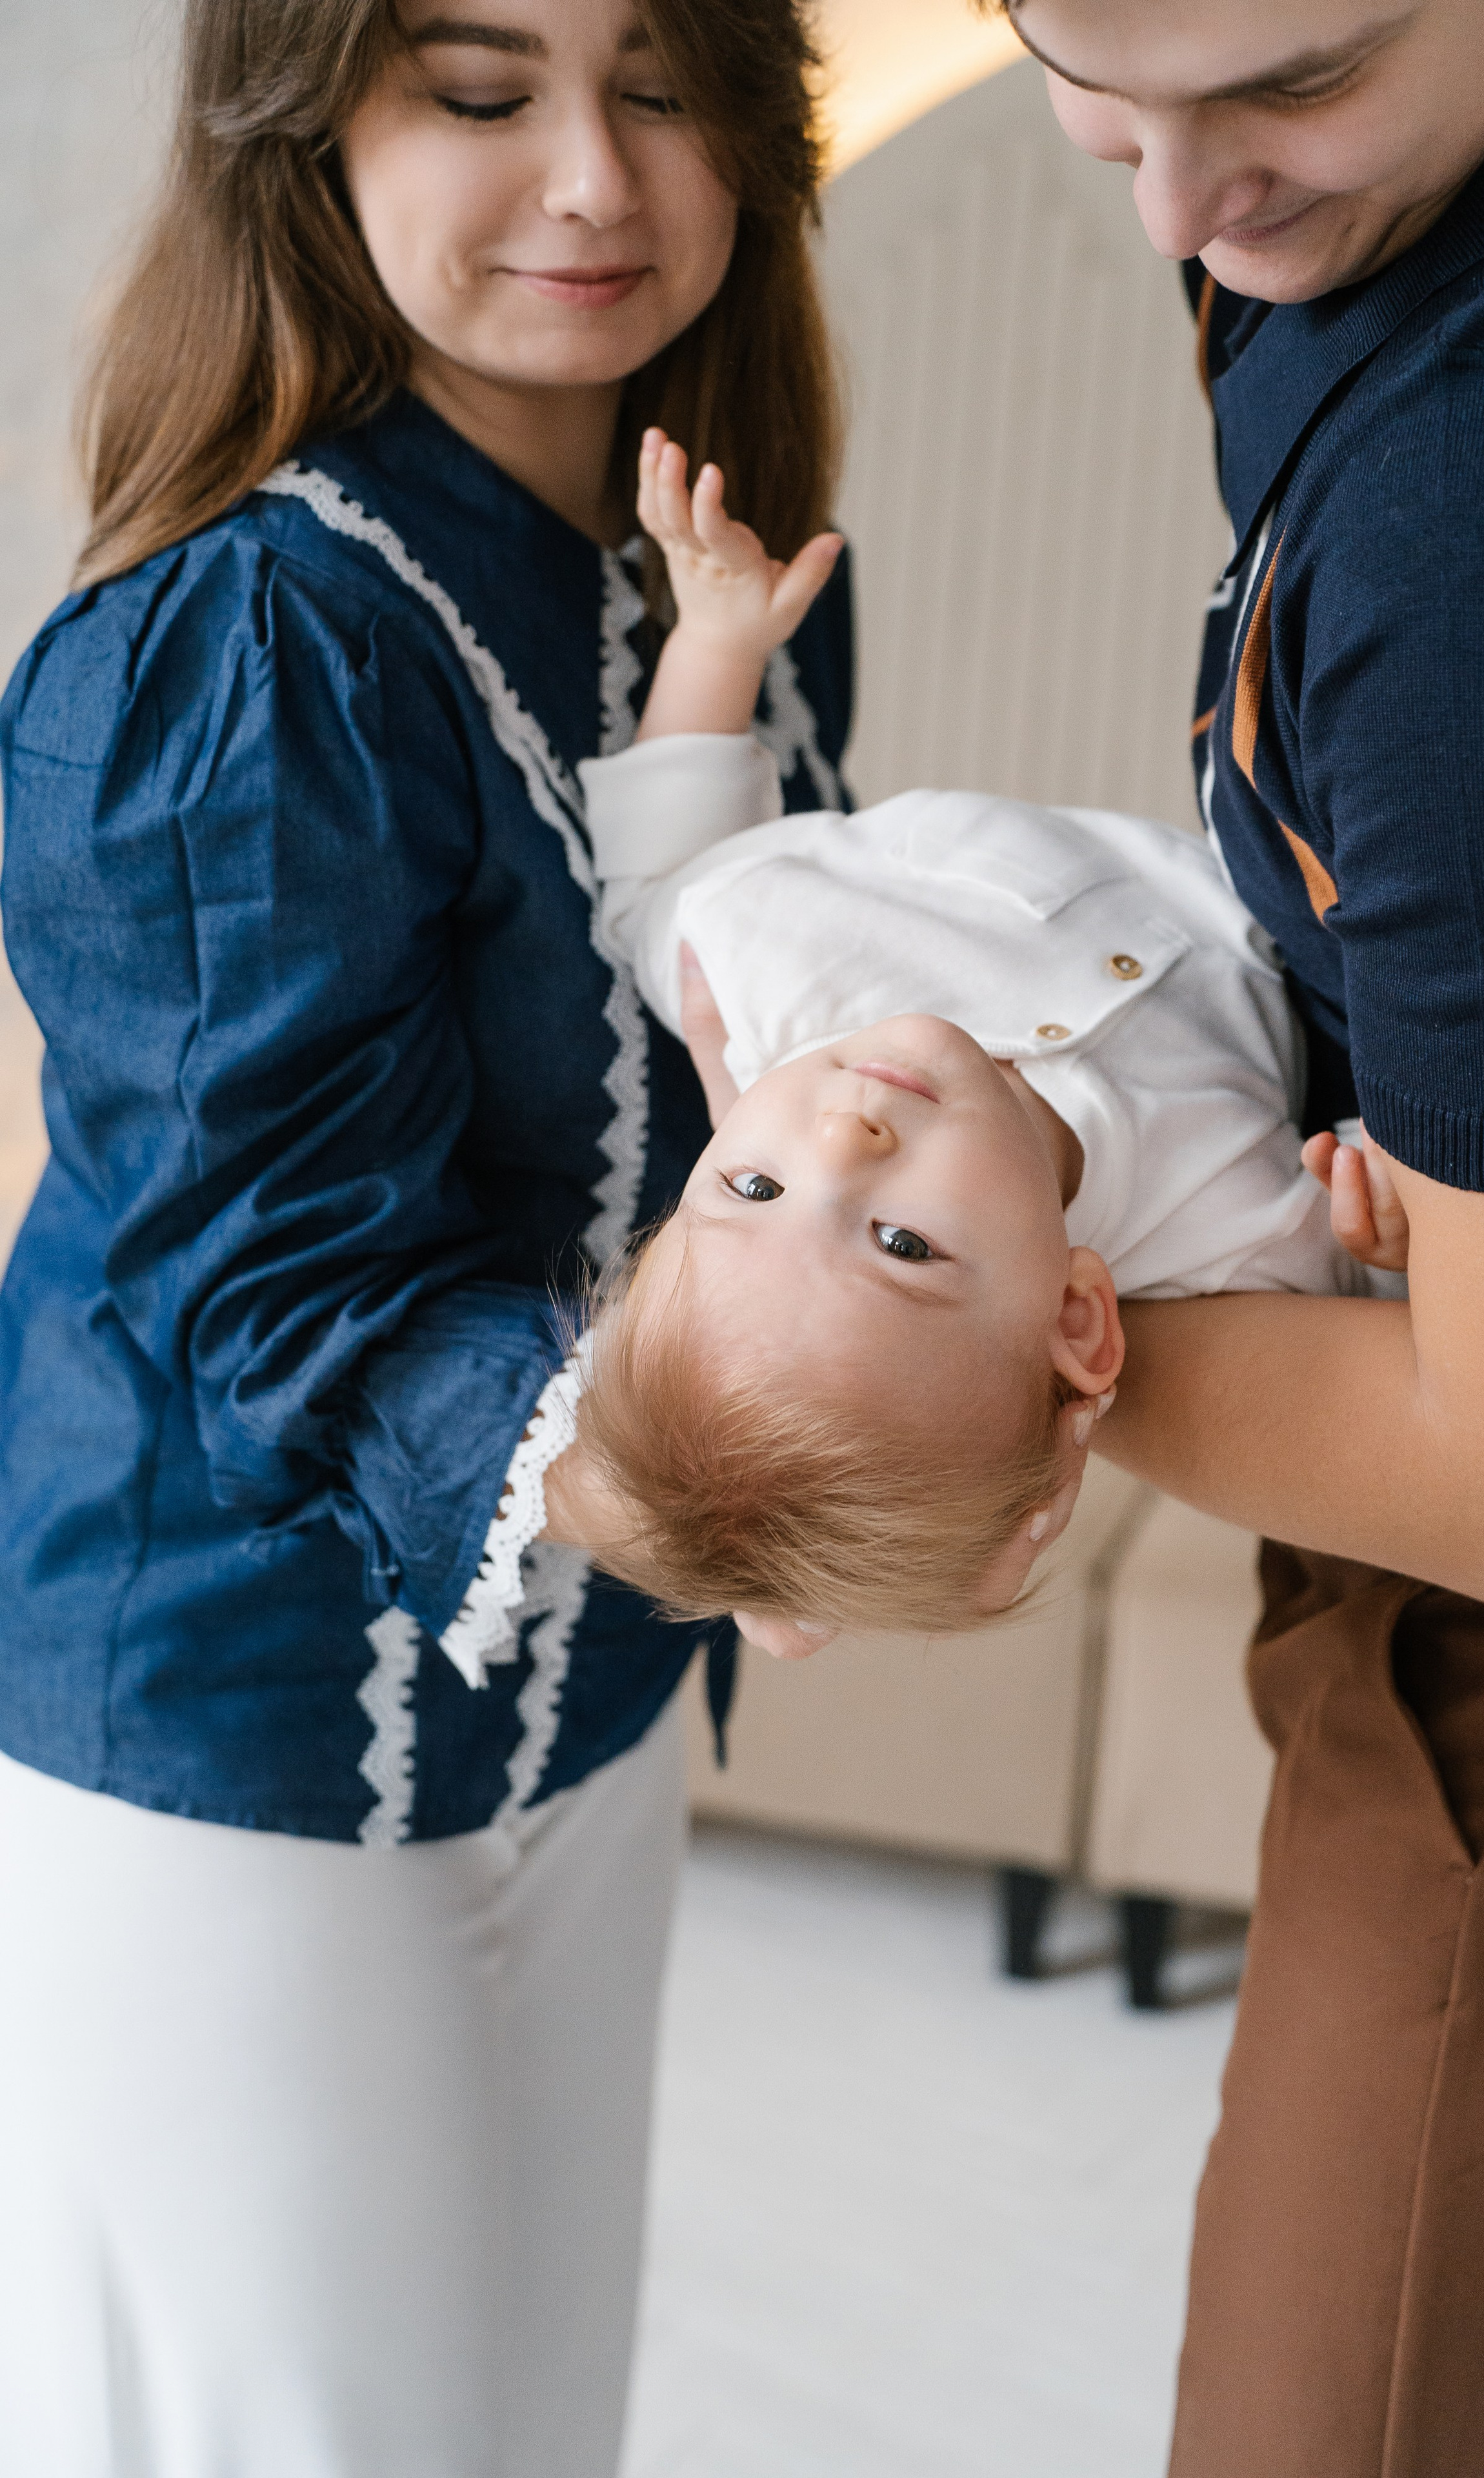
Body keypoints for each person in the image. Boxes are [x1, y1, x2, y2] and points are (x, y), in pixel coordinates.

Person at [0, 1, 850, 2470]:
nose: (593, 181)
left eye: (662, 87)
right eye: (480, 96)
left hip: (592, 1673)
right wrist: (651, 1468)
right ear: (303, 131)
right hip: (231, 1706)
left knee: (523, 2423)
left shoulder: (724, 567)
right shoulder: (238, 639)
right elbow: (281, 1282)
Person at [991, 0, 1484, 2471]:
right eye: (1087, 73)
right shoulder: (1393, 206)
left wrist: (946, 1313)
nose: (1173, 204)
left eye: (1289, 83)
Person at [532, 428, 1380, 1643]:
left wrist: (717, 639)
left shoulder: (766, 972)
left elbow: (657, 872)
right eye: (901, 1242)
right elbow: (1398, 1298)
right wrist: (1389, 1207)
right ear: (1078, 1319)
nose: (847, 1135)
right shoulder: (1228, 1238)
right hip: (1321, 886)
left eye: (755, 1183)